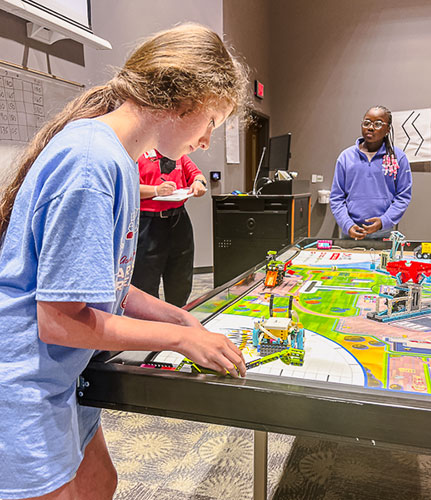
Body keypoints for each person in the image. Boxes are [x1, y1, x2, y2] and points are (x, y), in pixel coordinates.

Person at [0, 23, 248, 500]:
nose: (206, 140)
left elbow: (102, 283)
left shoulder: (111, 156)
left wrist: (178, 316)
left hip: (61, 375)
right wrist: (178, 338)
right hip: (23, 384)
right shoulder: (93, 163)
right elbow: (59, 321)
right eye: (212, 121)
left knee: (99, 483)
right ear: (187, 101)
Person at [131, 150, 207, 307]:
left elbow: (197, 175)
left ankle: (179, 320)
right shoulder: (138, 153)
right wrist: (156, 190)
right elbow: (128, 187)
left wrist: (199, 183)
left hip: (178, 220)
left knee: (180, 280)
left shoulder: (177, 153)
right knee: (145, 283)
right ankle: (151, 327)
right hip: (149, 223)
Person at [330, 105, 412, 240]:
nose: (370, 127)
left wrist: (384, 221)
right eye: (366, 123)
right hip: (350, 231)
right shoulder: (346, 157)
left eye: (378, 124)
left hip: (384, 232)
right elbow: (336, 198)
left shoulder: (398, 158)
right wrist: (347, 224)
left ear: (388, 129)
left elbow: (403, 196)